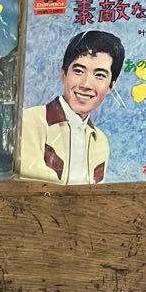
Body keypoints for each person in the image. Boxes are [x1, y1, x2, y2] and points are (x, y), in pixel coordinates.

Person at [20, 30, 125, 184]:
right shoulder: (30, 121)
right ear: (64, 75)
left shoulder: (100, 141)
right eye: (78, 71)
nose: (86, 84)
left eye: (100, 75)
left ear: (110, 86)